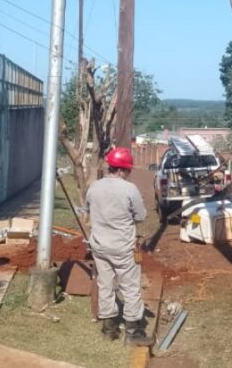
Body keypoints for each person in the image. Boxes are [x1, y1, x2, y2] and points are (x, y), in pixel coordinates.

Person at [87, 147, 153, 346]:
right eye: (128, 170)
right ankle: (132, 333)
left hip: (99, 246)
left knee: (105, 285)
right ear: (123, 170)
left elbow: (89, 209)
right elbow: (140, 216)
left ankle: (109, 330)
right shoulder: (129, 189)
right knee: (130, 288)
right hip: (123, 247)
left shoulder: (94, 187)